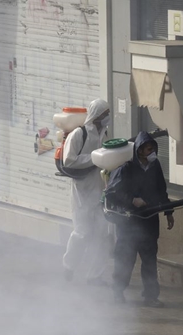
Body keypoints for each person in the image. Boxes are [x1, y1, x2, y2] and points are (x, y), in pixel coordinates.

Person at [104, 131, 173, 307]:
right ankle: (118, 292)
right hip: (129, 222)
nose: (153, 153)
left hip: (149, 221)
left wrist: (168, 211)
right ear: (140, 150)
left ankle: (151, 296)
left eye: (154, 149)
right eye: (149, 149)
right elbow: (111, 193)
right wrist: (132, 200)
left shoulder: (155, 166)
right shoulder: (125, 169)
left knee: (149, 261)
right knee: (125, 260)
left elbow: (161, 189)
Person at [63, 99, 111, 285]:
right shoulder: (78, 134)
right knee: (82, 233)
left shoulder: (104, 134)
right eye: (104, 114)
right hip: (82, 193)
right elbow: (69, 161)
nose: (107, 117)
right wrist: (95, 158)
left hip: (100, 192)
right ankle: (69, 266)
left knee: (102, 236)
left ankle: (95, 275)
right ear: (96, 115)